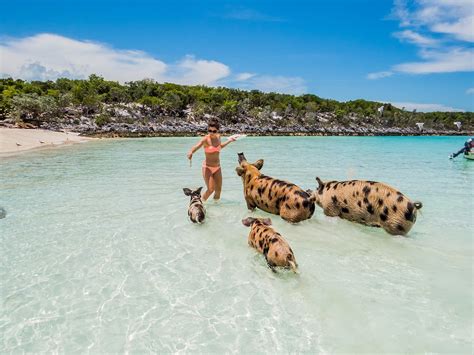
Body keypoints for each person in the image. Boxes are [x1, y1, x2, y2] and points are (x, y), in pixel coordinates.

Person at [187, 119, 236, 201]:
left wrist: (229, 141)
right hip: (207, 167)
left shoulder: (218, 137)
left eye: (214, 131)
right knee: (210, 189)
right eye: (209, 130)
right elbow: (196, 147)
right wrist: (191, 152)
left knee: (218, 191)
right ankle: (200, 202)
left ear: (217, 130)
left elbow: (219, 147)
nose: (211, 133)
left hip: (217, 167)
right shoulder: (205, 139)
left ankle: (215, 208)